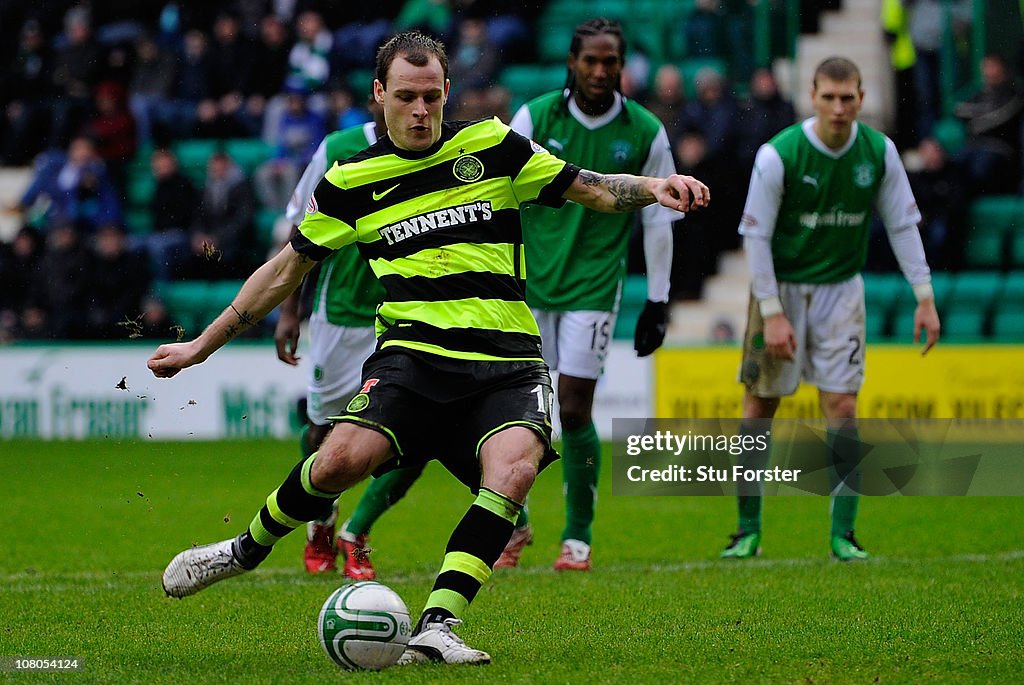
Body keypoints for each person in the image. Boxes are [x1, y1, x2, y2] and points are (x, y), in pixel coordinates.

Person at [149, 31, 708, 665]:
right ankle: (240, 551)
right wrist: (200, 345)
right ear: (380, 95)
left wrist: (653, 186)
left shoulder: (493, 147)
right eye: (407, 97)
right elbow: (282, 272)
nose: (421, 111)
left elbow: (594, 187)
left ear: (448, 93)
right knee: (336, 463)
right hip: (411, 360)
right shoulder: (351, 182)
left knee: (515, 471)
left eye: (433, 97)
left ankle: (438, 624)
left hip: (506, 362)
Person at [724, 56, 940, 562]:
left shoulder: (878, 152)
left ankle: (844, 534)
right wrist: (773, 312)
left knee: (842, 407)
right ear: (812, 97)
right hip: (779, 290)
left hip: (841, 291)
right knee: (760, 407)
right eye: (829, 97)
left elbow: (904, 225)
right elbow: (754, 236)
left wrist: (925, 297)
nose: (839, 108)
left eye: (848, 98)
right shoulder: (779, 155)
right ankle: (747, 530)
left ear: (862, 98)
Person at [508, 18, 680, 571]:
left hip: (594, 286)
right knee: (513, 410)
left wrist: (658, 299)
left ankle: (577, 538)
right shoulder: (534, 117)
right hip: (529, 284)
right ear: (572, 63)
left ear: (622, 66)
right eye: (591, 61)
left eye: (611, 62)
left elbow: (660, 217)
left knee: (575, 408)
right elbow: (501, 195)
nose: (601, 71)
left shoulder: (647, 131)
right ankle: (514, 523)